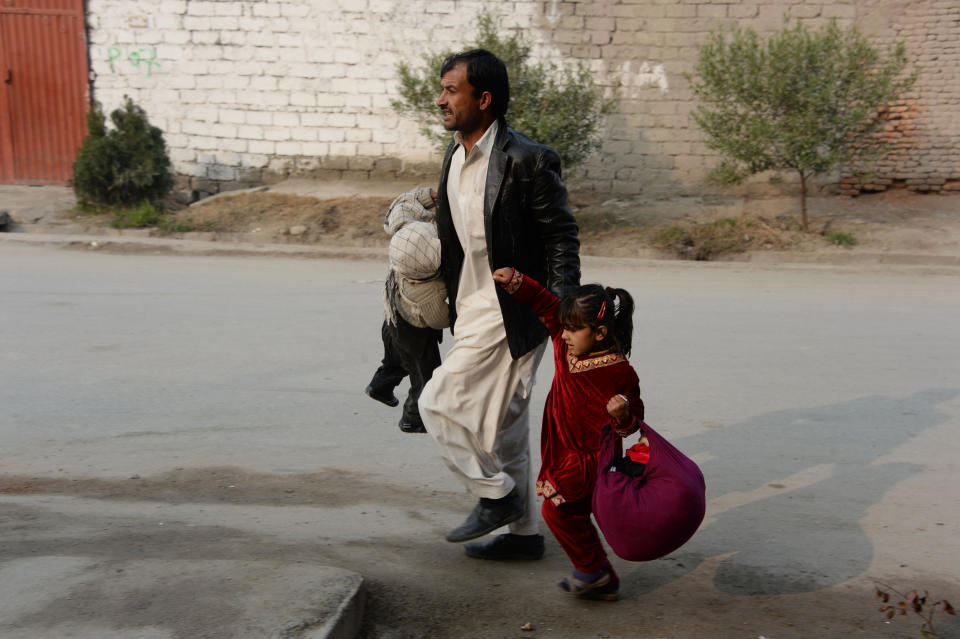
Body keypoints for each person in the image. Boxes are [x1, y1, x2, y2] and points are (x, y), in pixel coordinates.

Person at [418, 48, 580, 560]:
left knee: (437, 404)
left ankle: (498, 497)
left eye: (451, 91)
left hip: (512, 309)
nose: (440, 100)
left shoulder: (525, 158)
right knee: (509, 430)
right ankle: (525, 537)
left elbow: (561, 236)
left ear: (483, 99)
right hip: (470, 304)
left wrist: (563, 309)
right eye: (441, 89)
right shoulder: (455, 152)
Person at [491, 266, 644, 601]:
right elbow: (547, 306)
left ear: (600, 332)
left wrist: (622, 414)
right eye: (566, 328)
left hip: (588, 462)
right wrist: (518, 281)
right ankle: (598, 574)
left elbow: (633, 423)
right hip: (563, 450)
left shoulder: (619, 372)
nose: (565, 335)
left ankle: (594, 571)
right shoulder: (566, 345)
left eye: (575, 330)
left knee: (556, 511)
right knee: (574, 514)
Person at [365, 187, 448, 433]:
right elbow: (439, 319)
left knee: (396, 358)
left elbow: (403, 203)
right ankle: (412, 418)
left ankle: (379, 386)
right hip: (415, 331)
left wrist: (426, 196)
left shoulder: (403, 235)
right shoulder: (428, 291)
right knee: (425, 376)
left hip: (391, 316)